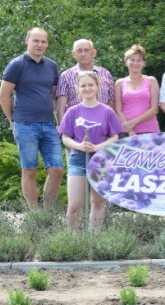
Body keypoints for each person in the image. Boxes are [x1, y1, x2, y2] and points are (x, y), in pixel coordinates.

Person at [0, 27, 64, 210]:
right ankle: (35, 215)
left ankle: (47, 212)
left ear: (47, 44)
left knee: (57, 169)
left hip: (49, 124)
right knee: (29, 169)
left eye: (43, 41)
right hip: (25, 124)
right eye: (36, 40)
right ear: (27, 41)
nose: (40, 44)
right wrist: (12, 120)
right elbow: (4, 96)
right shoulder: (16, 64)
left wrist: (60, 121)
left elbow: (54, 96)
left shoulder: (51, 65)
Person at [59, 71, 123, 229]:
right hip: (78, 159)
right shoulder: (72, 111)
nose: (87, 88)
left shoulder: (107, 111)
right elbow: (65, 137)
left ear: (97, 87)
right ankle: (72, 240)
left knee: (98, 201)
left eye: (90, 85)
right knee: (75, 203)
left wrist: (97, 147)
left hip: (101, 159)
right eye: (83, 85)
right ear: (77, 88)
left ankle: (94, 238)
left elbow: (115, 136)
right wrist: (80, 146)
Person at [56, 39, 115, 123]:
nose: (83, 54)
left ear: (93, 53)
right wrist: (62, 129)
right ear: (73, 54)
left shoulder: (106, 74)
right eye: (79, 51)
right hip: (76, 126)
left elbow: (112, 103)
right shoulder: (66, 76)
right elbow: (60, 108)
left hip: (103, 125)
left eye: (86, 50)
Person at [114, 44, 160, 135]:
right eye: (132, 60)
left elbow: (154, 109)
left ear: (144, 63)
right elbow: (118, 110)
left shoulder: (151, 80)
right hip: (126, 131)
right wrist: (130, 130)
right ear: (126, 62)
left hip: (149, 130)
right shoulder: (119, 83)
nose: (135, 63)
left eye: (139, 60)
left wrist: (134, 122)